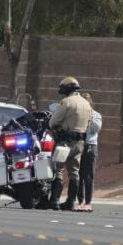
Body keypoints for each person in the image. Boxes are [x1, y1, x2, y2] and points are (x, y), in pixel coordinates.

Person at [48, 76, 92, 211]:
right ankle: (71, 202)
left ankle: (54, 201)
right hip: (80, 143)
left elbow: (52, 122)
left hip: (64, 142)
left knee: (58, 170)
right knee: (74, 172)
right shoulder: (86, 104)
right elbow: (89, 125)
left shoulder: (66, 102)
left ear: (67, 88)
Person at [76, 93, 102, 212]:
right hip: (79, 146)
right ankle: (80, 202)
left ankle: (88, 202)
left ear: (90, 103)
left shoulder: (96, 115)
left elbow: (96, 128)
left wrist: (89, 116)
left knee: (89, 176)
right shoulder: (77, 116)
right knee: (78, 175)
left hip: (91, 146)